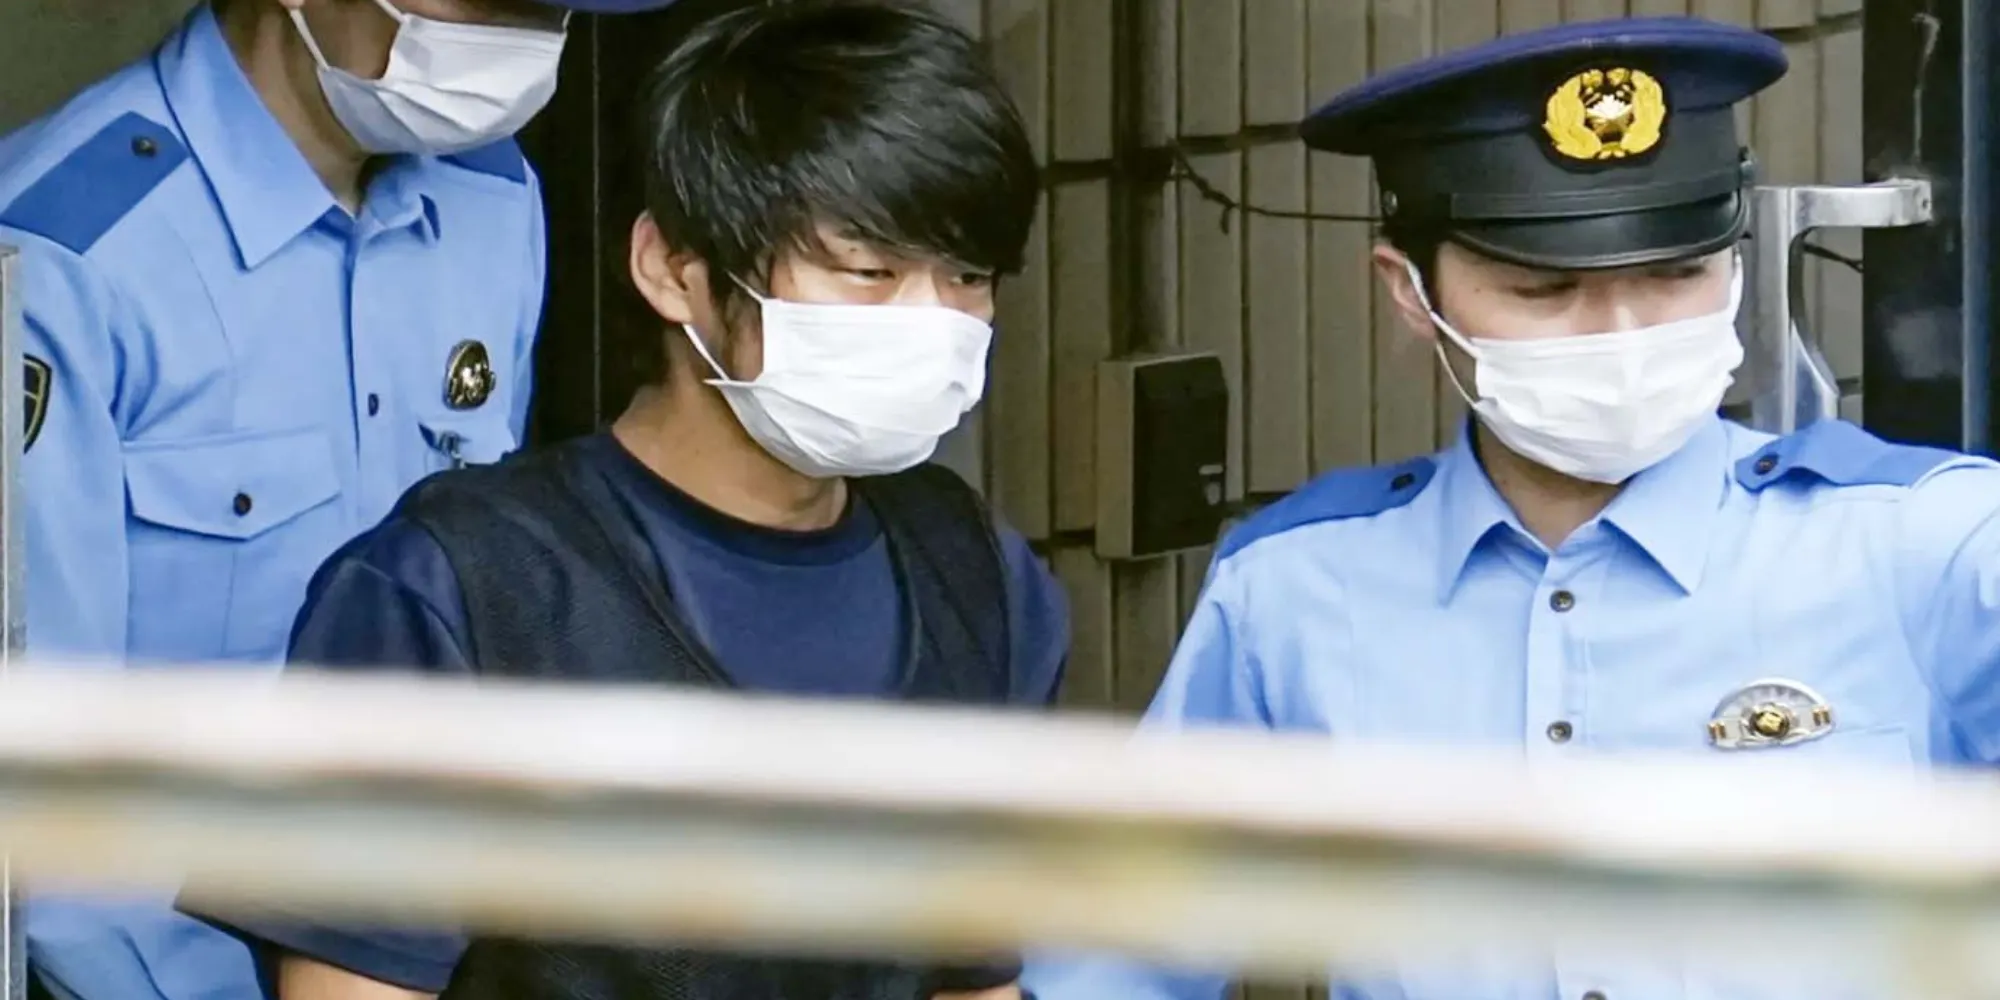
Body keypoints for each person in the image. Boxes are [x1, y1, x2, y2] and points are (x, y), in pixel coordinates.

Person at [1023, 14, 2000, 1000]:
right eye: (1544, 290)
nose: (1622, 333)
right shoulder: (1294, 591)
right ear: (1410, 293)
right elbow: (1115, 962)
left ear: (1736, 260)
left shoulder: (1931, 545)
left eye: (1676, 274)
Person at [181, 0, 1065, 997]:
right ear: (672, 269)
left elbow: (973, 979)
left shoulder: (976, 575)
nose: (933, 323)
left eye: (968, 277)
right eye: (868, 271)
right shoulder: (455, 589)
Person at [0, 0, 679, 997]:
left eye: (551, 7)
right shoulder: (63, 252)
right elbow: (43, 781)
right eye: (490, 1)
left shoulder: (492, 197)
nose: (524, 39)